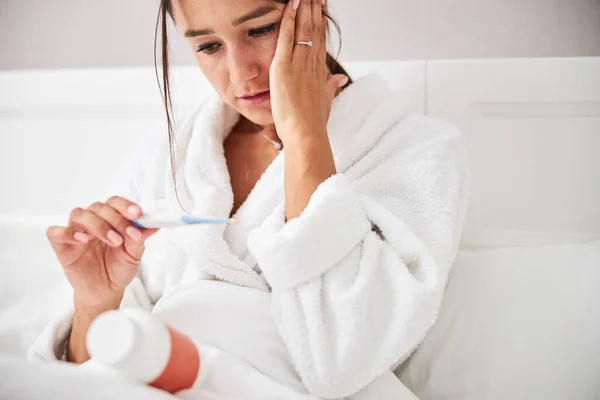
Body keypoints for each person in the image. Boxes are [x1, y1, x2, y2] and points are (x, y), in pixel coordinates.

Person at [28, 0, 471, 398]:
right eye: (207, 46)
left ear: (313, 12)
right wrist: (95, 302)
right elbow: (94, 378)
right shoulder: (170, 156)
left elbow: (345, 354)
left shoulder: (417, 150)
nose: (241, 74)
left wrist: (305, 137)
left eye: (259, 30)